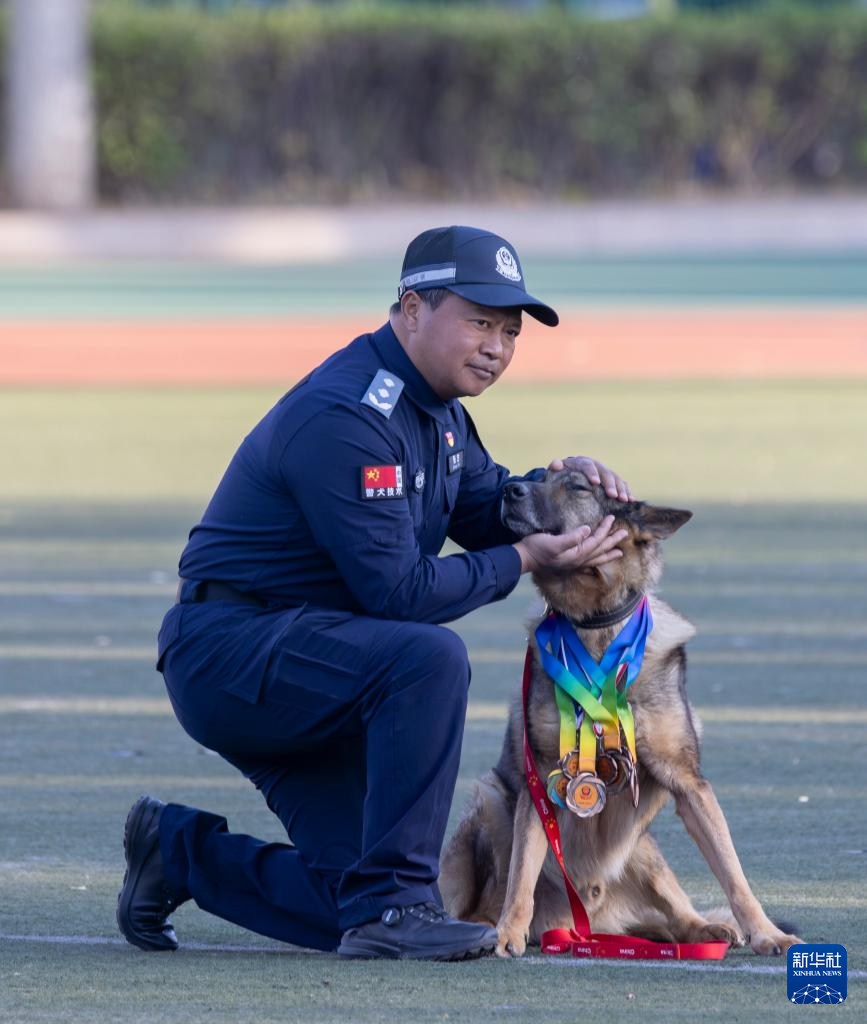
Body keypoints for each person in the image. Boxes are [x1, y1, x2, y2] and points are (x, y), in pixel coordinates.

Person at [116, 225, 631, 960]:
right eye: (479, 322)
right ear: (411, 308)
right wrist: (522, 557)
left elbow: (489, 508)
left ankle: (178, 852)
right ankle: (397, 910)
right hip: (233, 655)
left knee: (348, 900)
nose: (496, 346)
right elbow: (398, 594)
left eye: (510, 331)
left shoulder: (440, 413)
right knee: (427, 658)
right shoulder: (347, 414)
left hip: (316, 664)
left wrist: (564, 491)